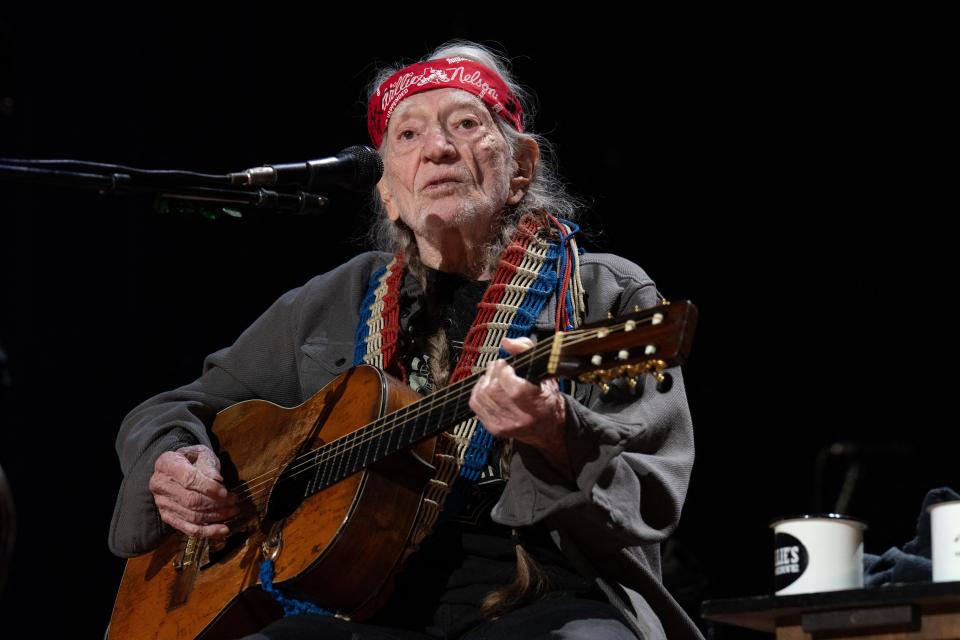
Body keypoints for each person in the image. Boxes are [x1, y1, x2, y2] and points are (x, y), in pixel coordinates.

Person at [109, 41, 702, 640]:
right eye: (408, 136)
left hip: (540, 592)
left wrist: (556, 432)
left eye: (467, 124)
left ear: (520, 166)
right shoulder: (337, 298)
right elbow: (169, 409)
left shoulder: (604, 291)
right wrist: (175, 457)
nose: (438, 149)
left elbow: (648, 495)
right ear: (387, 190)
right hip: (353, 605)